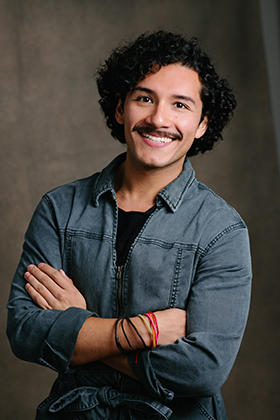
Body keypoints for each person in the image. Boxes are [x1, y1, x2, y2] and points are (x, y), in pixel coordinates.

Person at [6, 30, 252, 420]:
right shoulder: (59, 208)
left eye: (180, 105)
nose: (159, 119)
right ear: (120, 109)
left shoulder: (222, 230)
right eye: (144, 98)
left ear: (202, 124)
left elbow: (204, 370)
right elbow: (25, 332)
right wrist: (145, 329)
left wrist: (81, 327)